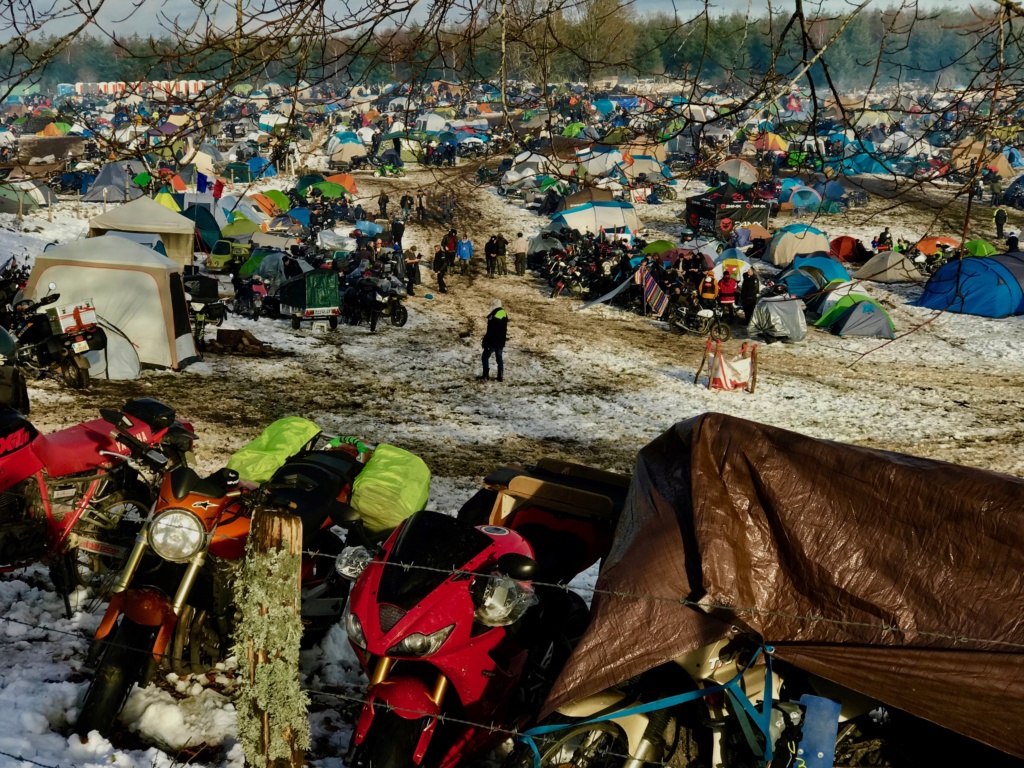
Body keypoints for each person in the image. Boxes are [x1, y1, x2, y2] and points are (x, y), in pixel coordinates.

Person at [478, 299, 508, 382]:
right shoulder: (504, 313)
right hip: (501, 341)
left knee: (485, 357)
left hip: (492, 341)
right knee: (499, 358)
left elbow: (491, 330)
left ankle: (485, 375)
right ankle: (500, 376)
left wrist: (485, 341)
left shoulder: (493, 316)